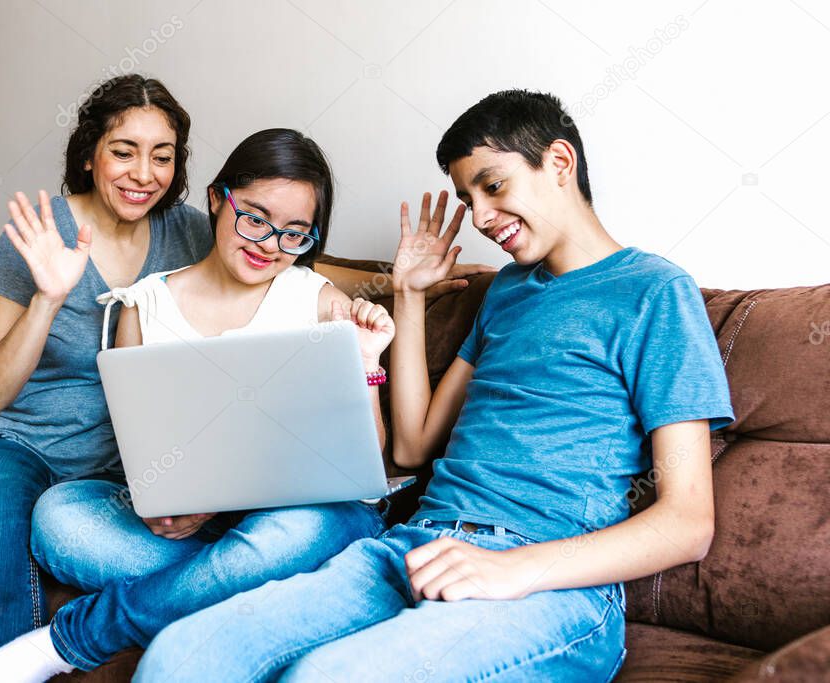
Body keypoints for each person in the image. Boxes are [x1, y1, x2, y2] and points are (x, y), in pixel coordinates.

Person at [127, 89, 736, 682]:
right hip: (416, 545)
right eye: (468, 198)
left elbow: (687, 521)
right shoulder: (507, 292)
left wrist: (514, 570)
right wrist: (411, 293)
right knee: (180, 656)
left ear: (559, 163)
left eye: (492, 186)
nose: (481, 218)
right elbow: (413, 448)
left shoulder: (654, 291)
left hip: (551, 581)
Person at [0, 73, 482, 676]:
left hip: (192, 483)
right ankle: (255, 580)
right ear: (89, 153)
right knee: (23, 533)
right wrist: (47, 296)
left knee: (291, 533)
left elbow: (296, 263)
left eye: (162, 156)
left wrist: (395, 286)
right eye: (123, 151)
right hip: (30, 445)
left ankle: (91, 631)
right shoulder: (59, 250)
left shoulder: (202, 234)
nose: (143, 174)